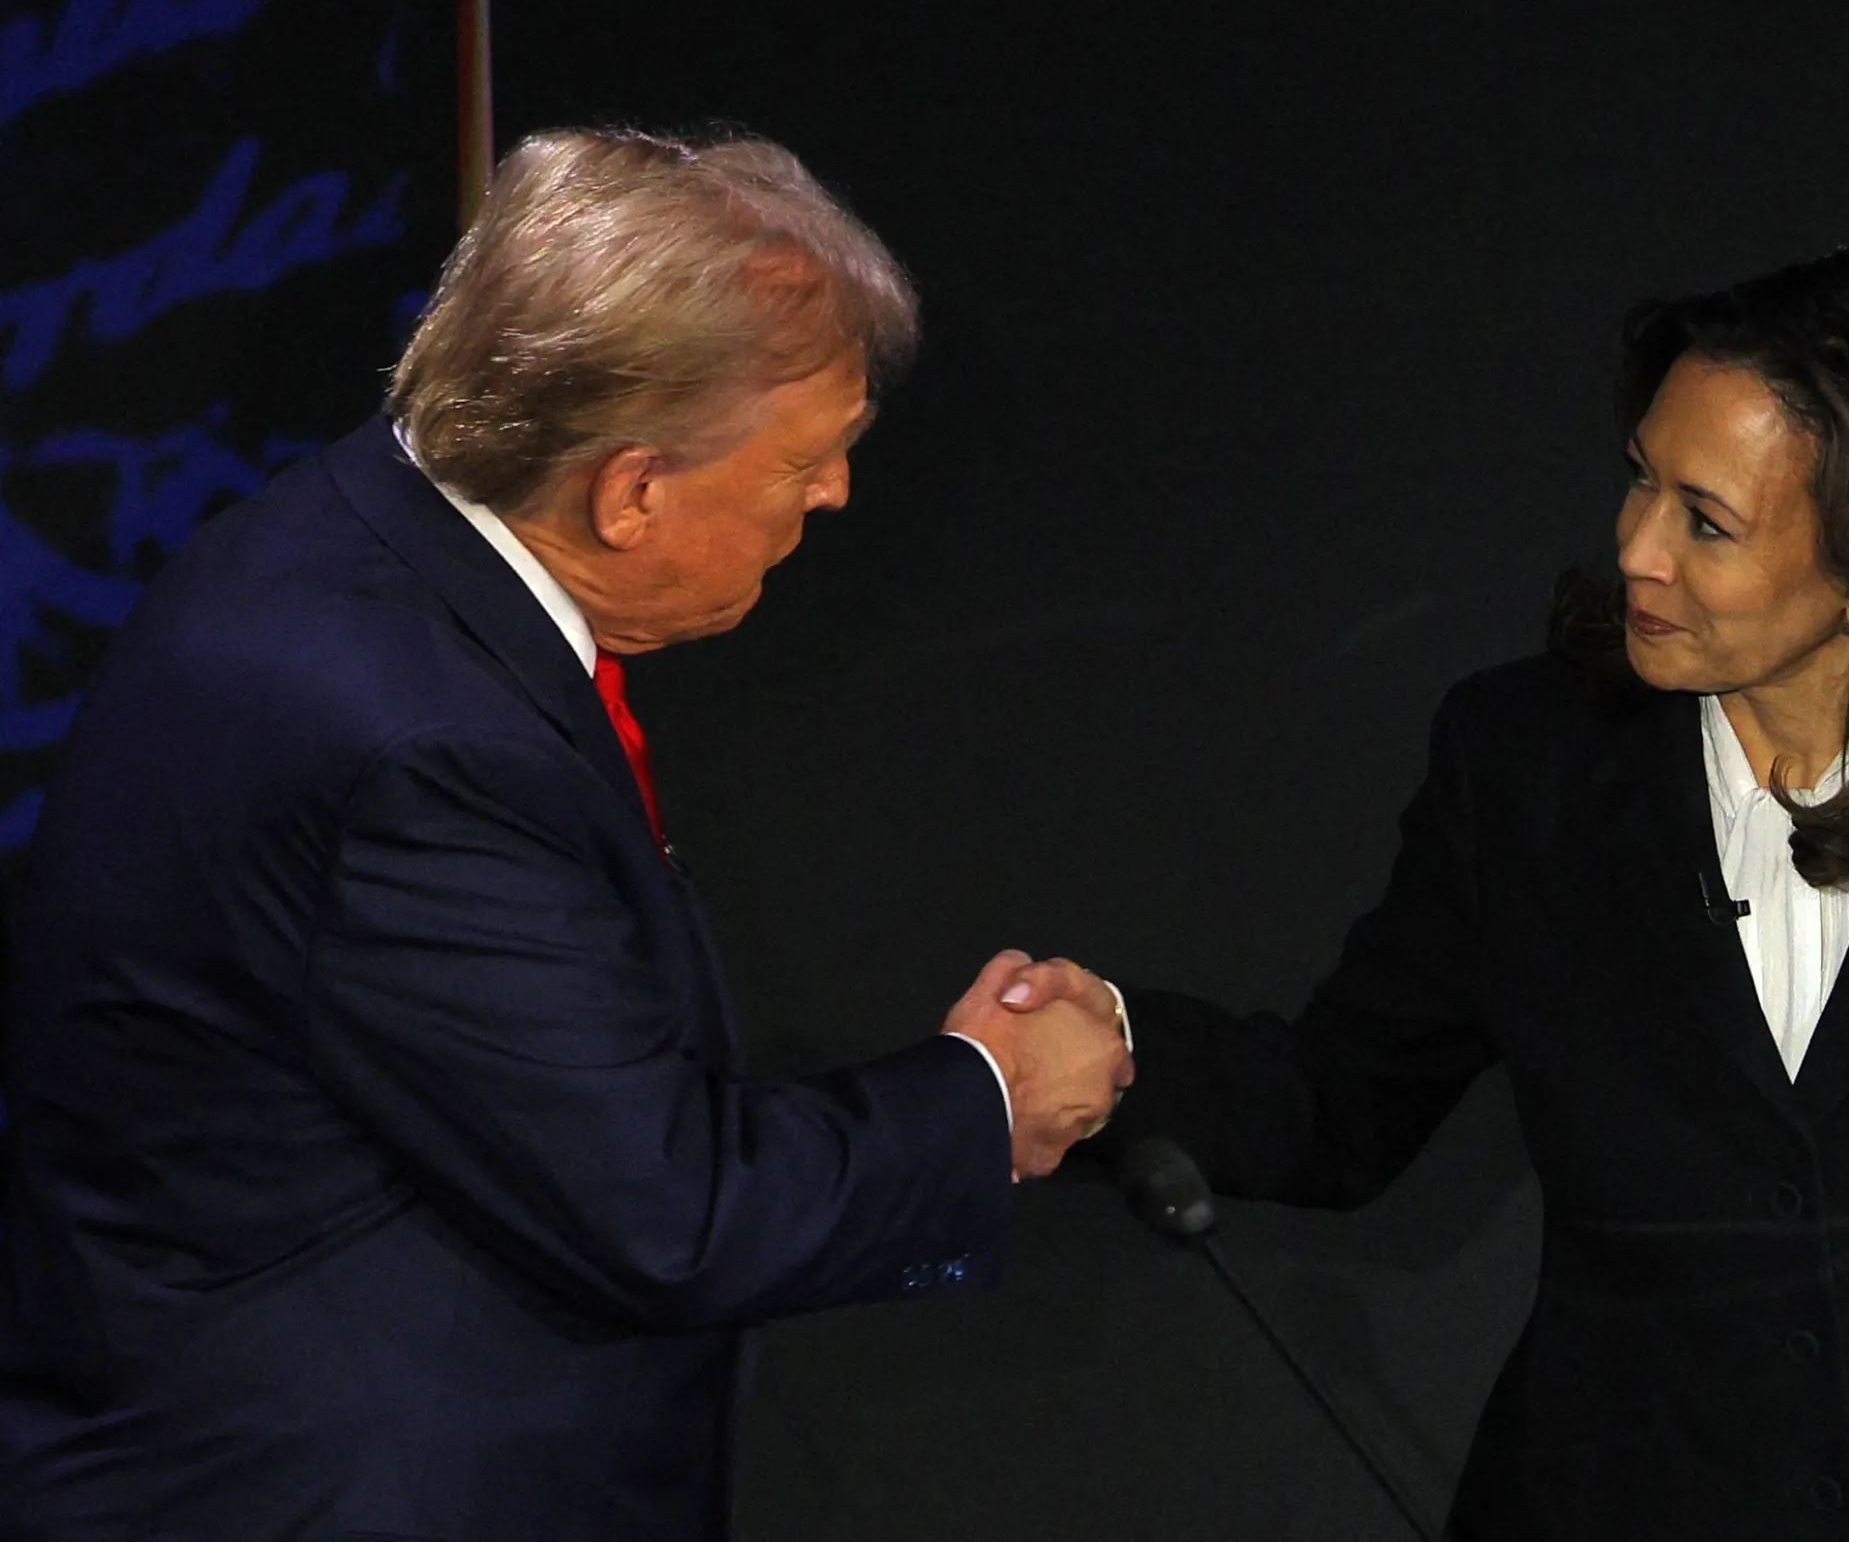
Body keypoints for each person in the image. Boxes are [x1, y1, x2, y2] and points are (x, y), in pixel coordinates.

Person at [1075, 250, 1849, 1539]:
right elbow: (1334, 1108)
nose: (1636, 547)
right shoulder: (1526, 767)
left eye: (1707, 517)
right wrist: (1099, 1052)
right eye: (1641, 477)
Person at [0, 128, 1131, 1540]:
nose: (834, 497)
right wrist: (991, 1099)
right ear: (634, 487)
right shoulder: (422, 744)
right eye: (809, 461)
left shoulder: (349, 535)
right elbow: (666, 1214)